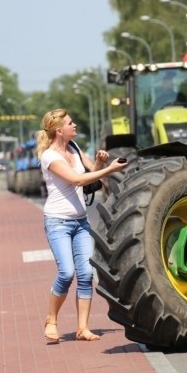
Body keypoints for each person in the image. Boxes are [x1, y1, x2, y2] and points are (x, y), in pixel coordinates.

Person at [36, 108, 128, 344]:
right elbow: (76, 180)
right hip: (58, 222)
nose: (74, 125)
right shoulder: (49, 156)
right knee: (66, 273)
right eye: (70, 122)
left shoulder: (75, 149)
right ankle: (51, 320)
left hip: (80, 222)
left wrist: (99, 163)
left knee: (86, 274)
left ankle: (82, 327)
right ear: (59, 130)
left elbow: (90, 176)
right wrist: (111, 169)